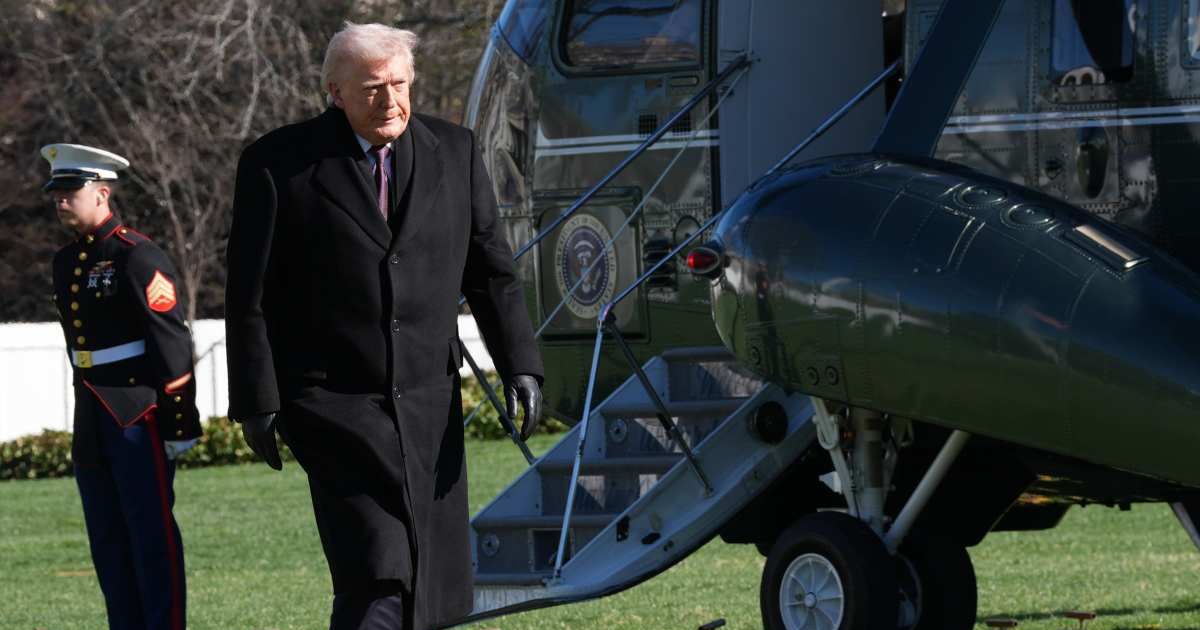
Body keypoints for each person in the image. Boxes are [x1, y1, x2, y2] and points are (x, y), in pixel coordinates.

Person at [225, 22, 544, 630]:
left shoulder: (455, 151)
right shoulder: (276, 165)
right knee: (376, 564)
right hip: (332, 404)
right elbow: (249, 294)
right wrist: (257, 402)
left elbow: (491, 272)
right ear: (334, 92)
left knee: (435, 581)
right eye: (372, 88)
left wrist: (520, 365)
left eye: (399, 84)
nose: (390, 100)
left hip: (428, 401)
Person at [44, 143, 201, 630]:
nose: (60, 199)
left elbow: (171, 343)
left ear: (103, 192)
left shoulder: (137, 256)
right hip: (93, 415)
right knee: (108, 541)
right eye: (57, 190)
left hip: (137, 416)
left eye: (71, 189)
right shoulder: (67, 261)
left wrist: (179, 422)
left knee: (149, 537)